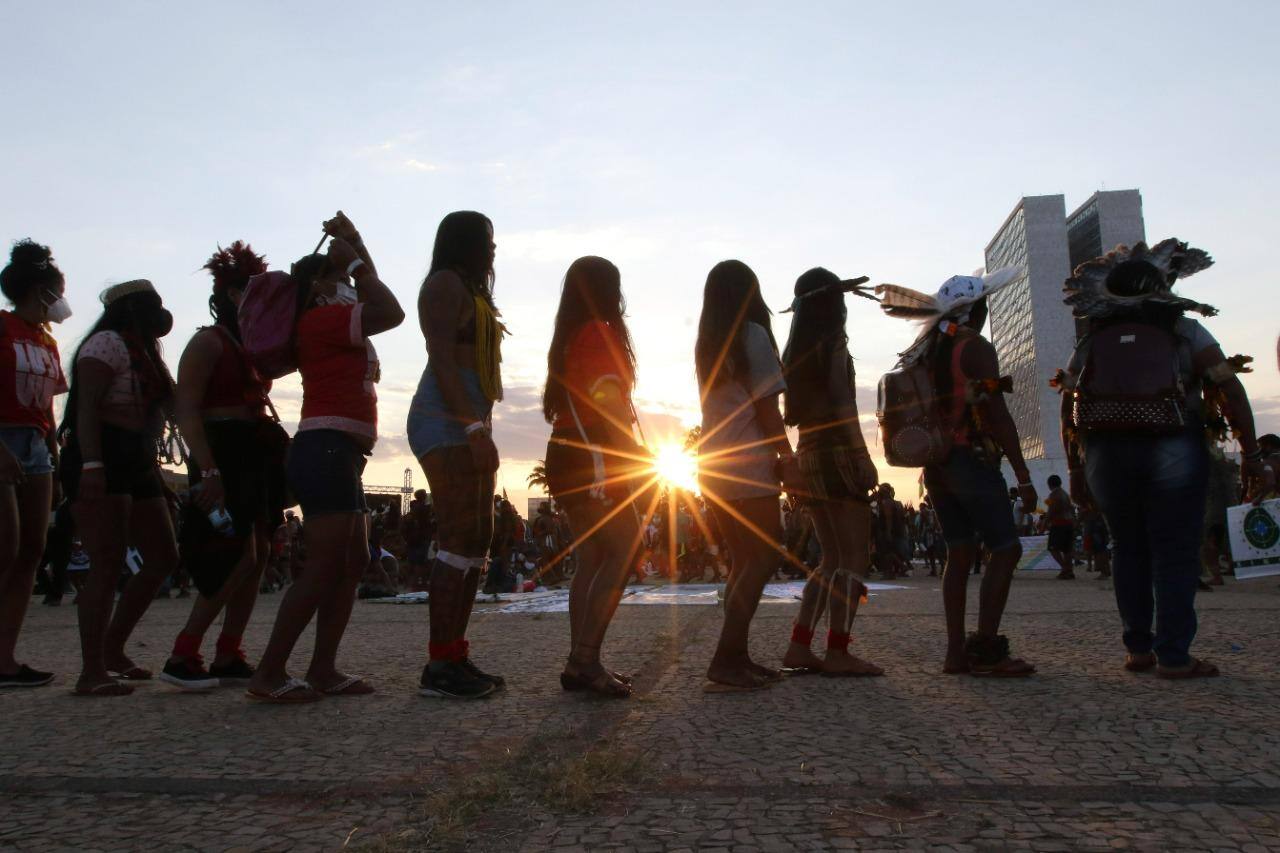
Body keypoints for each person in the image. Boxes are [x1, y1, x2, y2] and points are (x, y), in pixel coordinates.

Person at [1058, 239, 1270, 678]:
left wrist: (1076, 468)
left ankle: (1138, 648)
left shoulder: (1094, 339)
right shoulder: (1183, 329)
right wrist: (1250, 453)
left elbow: (1068, 403)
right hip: (1173, 441)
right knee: (1174, 550)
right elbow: (1229, 388)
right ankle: (1174, 654)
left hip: (1105, 451)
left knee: (1127, 546)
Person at [246, 212, 404, 702]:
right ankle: (269, 673)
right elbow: (390, 309)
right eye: (342, 281)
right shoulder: (321, 320)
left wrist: (355, 244)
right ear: (319, 286)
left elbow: (371, 292)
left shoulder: (328, 317)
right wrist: (355, 260)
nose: (351, 287)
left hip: (339, 450)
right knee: (325, 565)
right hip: (326, 448)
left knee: (351, 560)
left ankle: (322, 668)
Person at [878, 267, 1038, 676]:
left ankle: (955, 653)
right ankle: (987, 650)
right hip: (970, 459)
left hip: (936, 466)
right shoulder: (974, 347)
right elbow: (997, 414)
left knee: (959, 552)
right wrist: (1022, 473)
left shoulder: (929, 350)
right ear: (976, 309)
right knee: (1006, 548)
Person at [161, 241, 289, 690]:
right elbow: (187, 410)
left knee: (257, 555)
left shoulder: (252, 347)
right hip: (222, 452)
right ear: (232, 295)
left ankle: (228, 651)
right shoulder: (207, 342)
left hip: (250, 452)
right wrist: (209, 469)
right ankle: (184, 651)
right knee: (237, 554)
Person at [59, 279, 181, 695]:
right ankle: (91, 670)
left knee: (163, 555)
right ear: (132, 309)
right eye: (153, 305)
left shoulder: (146, 353)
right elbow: (86, 410)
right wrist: (92, 465)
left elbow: (165, 412)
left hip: (136, 458)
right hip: (102, 452)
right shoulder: (106, 345)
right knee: (106, 562)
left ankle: (113, 648)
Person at [543, 256, 653, 698]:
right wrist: (636, 459)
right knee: (627, 550)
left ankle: (581, 659)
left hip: (567, 451)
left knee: (592, 557)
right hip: (594, 457)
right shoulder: (600, 334)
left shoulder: (570, 338)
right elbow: (608, 407)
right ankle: (584, 660)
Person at [406, 211, 503, 699]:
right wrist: (471, 428)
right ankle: (438, 665)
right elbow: (443, 360)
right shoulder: (444, 284)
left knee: (478, 540)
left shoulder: (471, 288)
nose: (493, 249)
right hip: (444, 422)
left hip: (469, 422)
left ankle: (456, 654)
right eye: (486, 240)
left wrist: (483, 427)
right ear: (463, 242)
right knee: (457, 538)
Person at [694, 260, 800, 691]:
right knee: (762, 556)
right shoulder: (753, 336)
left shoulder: (710, 344)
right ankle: (726, 655)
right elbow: (765, 408)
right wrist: (787, 457)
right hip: (748, 460)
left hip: (713, 463)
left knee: (744, 560)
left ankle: (736, 654)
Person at [775, 268, 882, 677]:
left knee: (830, 557)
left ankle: (800, 645)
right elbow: (842, 401)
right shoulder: (833, 343)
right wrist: (860, 452)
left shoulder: (795, 353)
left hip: (809, 453)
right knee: (854, 557)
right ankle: (838, 650)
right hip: (838, 451)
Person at [0, 240, 71, 688]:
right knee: (5, 548)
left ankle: (5, 658)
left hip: (35, 445)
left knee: (30, 551)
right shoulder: (2, 328)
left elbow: (47, 406)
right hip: (3, 437)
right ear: (41, 290)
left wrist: (55, 457)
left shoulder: (47, 340)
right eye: (58, 292)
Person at [1044, 474, 1076, 580]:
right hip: (1069, 523)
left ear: (1049, 485)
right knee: (1067, 549)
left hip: (1059, 524)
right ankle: (1069, 570)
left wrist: (1045, 523)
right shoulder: (1065, 494)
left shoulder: (1054, 495)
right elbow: (1071, 508)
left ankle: (1065, 569)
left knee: (1053, 548)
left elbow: (1052, 510)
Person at [402, 490, 433, 591]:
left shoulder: (413, 508)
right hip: (422, 538)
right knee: (421, 562)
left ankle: (409, 584)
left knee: (412, 562)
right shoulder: (424, 508)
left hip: (412, 539)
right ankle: (416, 584)